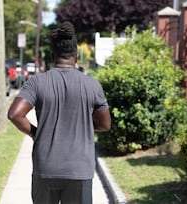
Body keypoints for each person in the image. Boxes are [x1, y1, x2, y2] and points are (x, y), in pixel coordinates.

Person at [7, 21, 111, 204]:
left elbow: (15, 114)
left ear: (53, 55)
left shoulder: (37, 82)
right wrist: (83, 125)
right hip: (79, 170)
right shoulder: (92, 84)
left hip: (45, 167)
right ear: (76, 56)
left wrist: (34, 133)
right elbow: (105, 124)